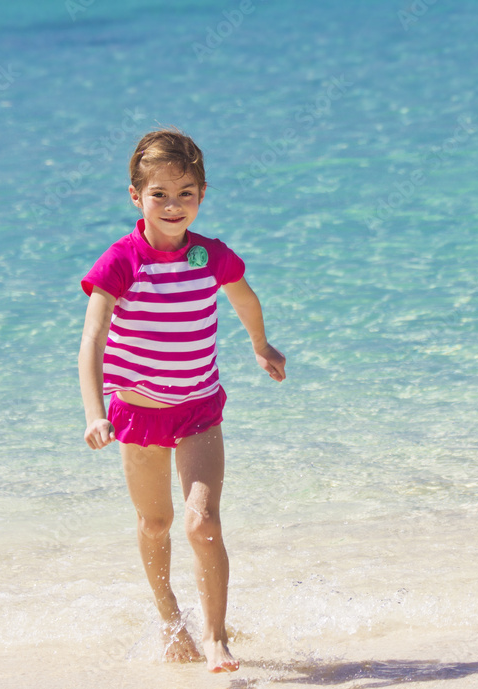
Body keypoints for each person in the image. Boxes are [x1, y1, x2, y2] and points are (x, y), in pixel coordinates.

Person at [78, 129, 286, 673]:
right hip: (137, 413)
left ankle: (216, 638)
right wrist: (94, 412)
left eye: (186, 193)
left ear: (203, 194)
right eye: (160, 195)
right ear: (135, 197)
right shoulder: (122, 262)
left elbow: (245, 297)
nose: (174, 206)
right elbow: (92, 340)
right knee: (155, 523)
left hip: (197, 409)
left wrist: (260, 345)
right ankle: (172, 622)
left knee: (203, 521)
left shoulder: (210, 256)